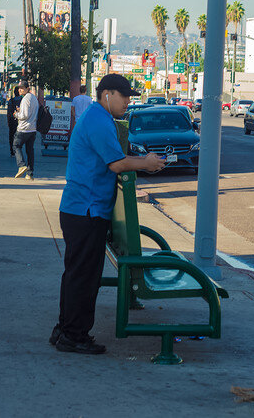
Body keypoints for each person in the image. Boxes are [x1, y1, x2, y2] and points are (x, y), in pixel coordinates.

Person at [50, 73, 165, 354]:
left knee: (76, 273)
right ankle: (73, 335)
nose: (128, 101)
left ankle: (65, 329)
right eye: (124, 96)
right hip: (86, 210)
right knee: (84, 276)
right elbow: (116, 164)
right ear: (107, 95)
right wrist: (147, 163)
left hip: (80, 208)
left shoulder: (96, 117)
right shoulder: (100, 121)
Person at [13, 82, 38, 179]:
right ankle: (30, 174)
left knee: (16, 146)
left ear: (27, 88)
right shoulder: (34, 98)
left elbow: (25, 115)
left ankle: (21, 165)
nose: (20, 90)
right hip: (32, 129)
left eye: (22, 88)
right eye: (19, 88)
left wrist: (16, 114)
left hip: (23, 129)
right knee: (30, 151)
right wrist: (21, 110)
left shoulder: (25, 99)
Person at [5, 85, 23, 156]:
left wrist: (8, 122)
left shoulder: (11, 101)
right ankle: (18, 149)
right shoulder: (23, 101)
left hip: (12, 121)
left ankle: (12, 150)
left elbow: (8, 113)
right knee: (19, 136)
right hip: (20, 121)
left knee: (11, 136)